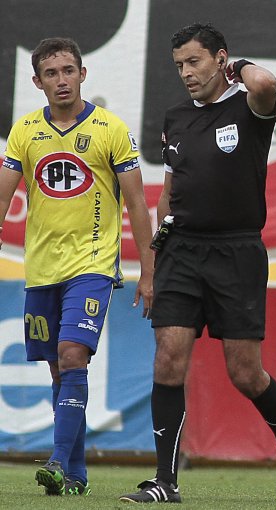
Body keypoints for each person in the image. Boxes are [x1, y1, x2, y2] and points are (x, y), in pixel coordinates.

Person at [119, 23, 276, 504]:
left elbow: (266, 83)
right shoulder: (176, 117)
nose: (185, 73)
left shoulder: (250, 106)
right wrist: (153, 266)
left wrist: (238, 67)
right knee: (168, 357)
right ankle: (165, 480)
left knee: (245, 373)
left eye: (194, 62)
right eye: (179, 64)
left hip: (237, 251)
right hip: (181, 249)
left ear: (219, 59)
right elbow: (170, 193)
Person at [0, 37, 154, 496]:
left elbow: (138, 205)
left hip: (92, 264)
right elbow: (3, 196)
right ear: (37, 82)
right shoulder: (25, 130)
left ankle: (55, 459)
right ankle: (76, 474)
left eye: (68, 70)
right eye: (51, 73)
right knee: (58, 370)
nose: (61, 80)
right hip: (42, 268)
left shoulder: (110, 129)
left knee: (72, 355)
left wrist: (149, 272)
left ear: (83, 74)